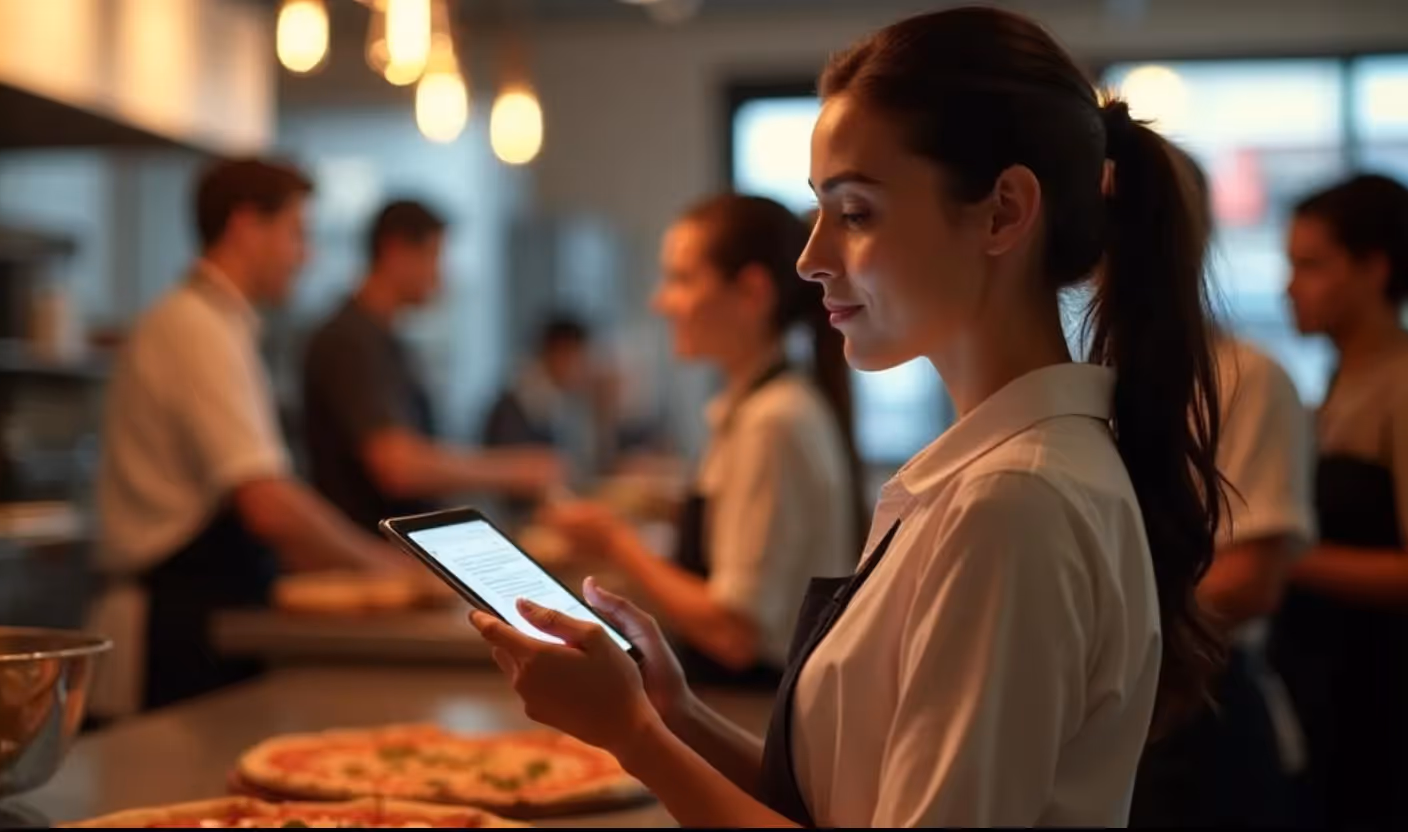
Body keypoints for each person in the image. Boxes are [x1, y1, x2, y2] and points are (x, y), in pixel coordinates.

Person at [470, 7, 1226, 827]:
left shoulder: (1012, 504)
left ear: (1004, 212)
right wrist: (669, 713)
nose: (810, 257)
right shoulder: (988, 476)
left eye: (857, 212)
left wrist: (632, 736)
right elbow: (848, 801)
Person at [92, 158, 405, 718]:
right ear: (245, 226)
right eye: (296, 234)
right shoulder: (194, 327)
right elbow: (268, 504)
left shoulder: (219, 324)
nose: (305, 256)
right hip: (172, 627)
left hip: (204, 611)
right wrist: (383, 566)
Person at [539, 194, 865, 690]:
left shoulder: (772, 421)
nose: (660, 300)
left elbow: (734, 631)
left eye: (681, 279)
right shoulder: (760, 406)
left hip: (752, 708)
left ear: (753, 293)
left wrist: (612, 540)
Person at [1129, 148, 1316, 828]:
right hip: (1122, 706)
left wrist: (1103, 649)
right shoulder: (1088, 382)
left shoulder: (1245, 376)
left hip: (1197, 705)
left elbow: (1250, 580)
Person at [1268, 172, 1408, 830]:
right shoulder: (1338, 378)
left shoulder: (1400, 385)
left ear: (1374, 269)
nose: (1289, 286)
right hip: (1329, 686)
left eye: (1311, 265)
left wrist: (1279, 557)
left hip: (1380, 698)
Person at [301, 199, 563, 535]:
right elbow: (397, 465)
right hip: (369, 561)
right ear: (395, 251)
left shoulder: (383, 340)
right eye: (433, 256)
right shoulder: (350, 340)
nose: (440, 274)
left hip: (391, 555)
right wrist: (515, 470)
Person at [482, 314, 602, 486]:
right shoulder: (517, 403)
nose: (584, 367)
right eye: (580, 357)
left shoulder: (561, 398)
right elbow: (514, 478)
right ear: (558, 353)